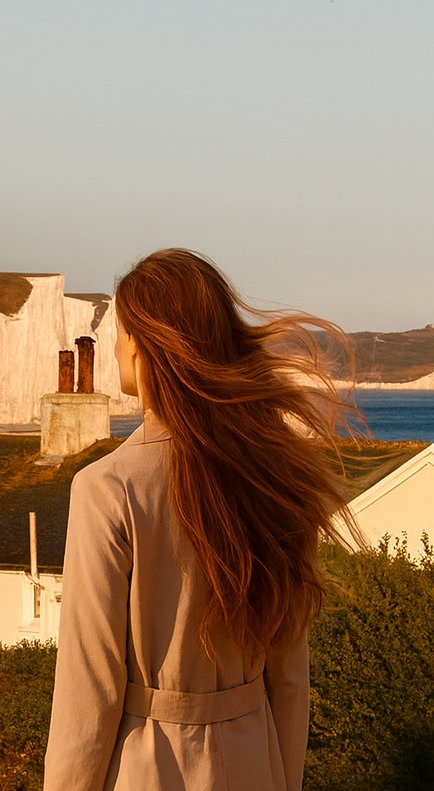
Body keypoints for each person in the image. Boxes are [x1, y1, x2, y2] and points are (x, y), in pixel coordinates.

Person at [43, 249, 359, 791]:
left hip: (149, 767)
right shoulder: (271, 475)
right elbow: (290, 681)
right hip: (254, 760)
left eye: (122, 331)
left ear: (147, 346)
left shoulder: (107, 489)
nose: (118, 346)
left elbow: (88, 693)